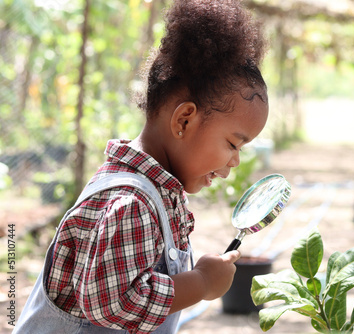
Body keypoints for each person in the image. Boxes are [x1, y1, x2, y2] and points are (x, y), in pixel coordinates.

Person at [14, 0, 268, 333]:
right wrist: (201, 283)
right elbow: (112, 302)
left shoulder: (158, 192)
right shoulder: (131, 202)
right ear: (184, 120)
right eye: (233, 144)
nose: (235, 161)